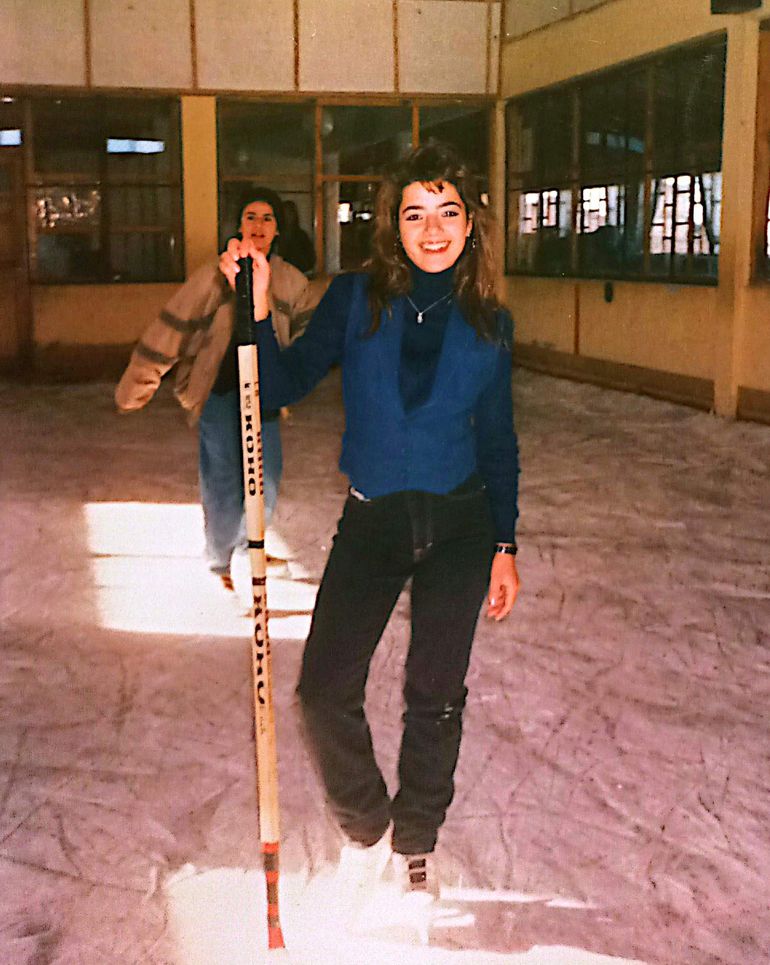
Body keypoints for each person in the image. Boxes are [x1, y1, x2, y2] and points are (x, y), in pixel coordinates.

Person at [220, 143, 520, 907]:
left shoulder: (489, 321)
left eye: (448, 211)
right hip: (374, 520)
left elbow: (497, 439)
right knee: (321, 690)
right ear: (395, 223)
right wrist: (254, 315)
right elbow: (284, 378)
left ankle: (417, 842)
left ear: (470, 223)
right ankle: (368, 827)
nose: (432, 228)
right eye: (415, 212)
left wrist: (504, 542)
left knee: (435, 693)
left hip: (459, 522)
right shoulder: (357, 298)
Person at [115, 186, 323, 598]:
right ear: (238, 225)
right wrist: (138, 384)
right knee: (224, 477)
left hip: (264, 396)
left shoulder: (291, 281)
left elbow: (310, 338)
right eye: (250, 217)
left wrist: (295, 373)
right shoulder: (212, 276)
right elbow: (170, 329)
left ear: (278, 228)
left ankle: (251, 548)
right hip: (220, 393)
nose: (258, 225)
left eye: (267, 218)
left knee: (267, 478)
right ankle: (218, 557)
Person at [278, 199, 316, 275]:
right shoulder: (275, 236)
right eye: (285, 214)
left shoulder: (301, 236)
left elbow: (311, 259)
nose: (287, 217)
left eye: (290, 213)